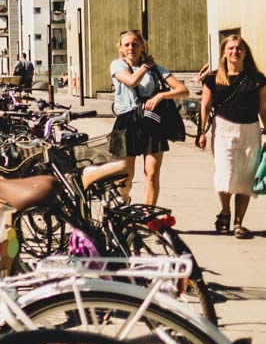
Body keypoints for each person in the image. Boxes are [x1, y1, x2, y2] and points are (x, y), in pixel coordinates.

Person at [197, 35, 266, 238]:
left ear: (245, 52)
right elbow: (205, 106)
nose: (235, 52)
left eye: (239, 48)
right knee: (225, 174)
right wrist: (201, 132)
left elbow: (263, 108)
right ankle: (225, 211)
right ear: (224, 52)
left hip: (250, 130)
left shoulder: (257, 79)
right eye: (231, 48)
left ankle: (238, 223)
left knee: (245, 177)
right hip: (223, 130)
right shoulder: (213, 78)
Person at [111, 30, 189, 207]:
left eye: (135, 44)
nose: (131, 48)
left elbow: (183, 90)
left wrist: (160, 96)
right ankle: (123, 204)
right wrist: (145, 66)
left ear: (142, 46)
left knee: (152, 173)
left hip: (151, 121)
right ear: (121, 48)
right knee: (124, 175)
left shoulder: (157, 69)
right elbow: (131, 81)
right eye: (127, 45)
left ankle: (148, 215)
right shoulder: (117, 65)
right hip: (127, 121)